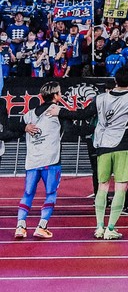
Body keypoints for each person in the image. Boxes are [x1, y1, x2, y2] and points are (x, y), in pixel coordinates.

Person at [15, 81, 90, 239]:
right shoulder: (57, 111)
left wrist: (23, 127)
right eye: (60, 93)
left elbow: (11, 127)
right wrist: (95, 129)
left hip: (32, 162)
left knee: (28, 193)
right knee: (51, 193)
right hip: (51, 161)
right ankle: (42, 226)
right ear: (56, 96)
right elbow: (75, 125)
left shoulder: (29, 114)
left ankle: (20, 226)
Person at [92, 65, 128, 240]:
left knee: (102, 186)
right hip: (123, 145)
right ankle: (111, 228)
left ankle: (99, 227)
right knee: (121, 187)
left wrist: (60, 111)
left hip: (103, 145)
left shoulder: (100, 98)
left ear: (115, 80)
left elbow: (83, 114)